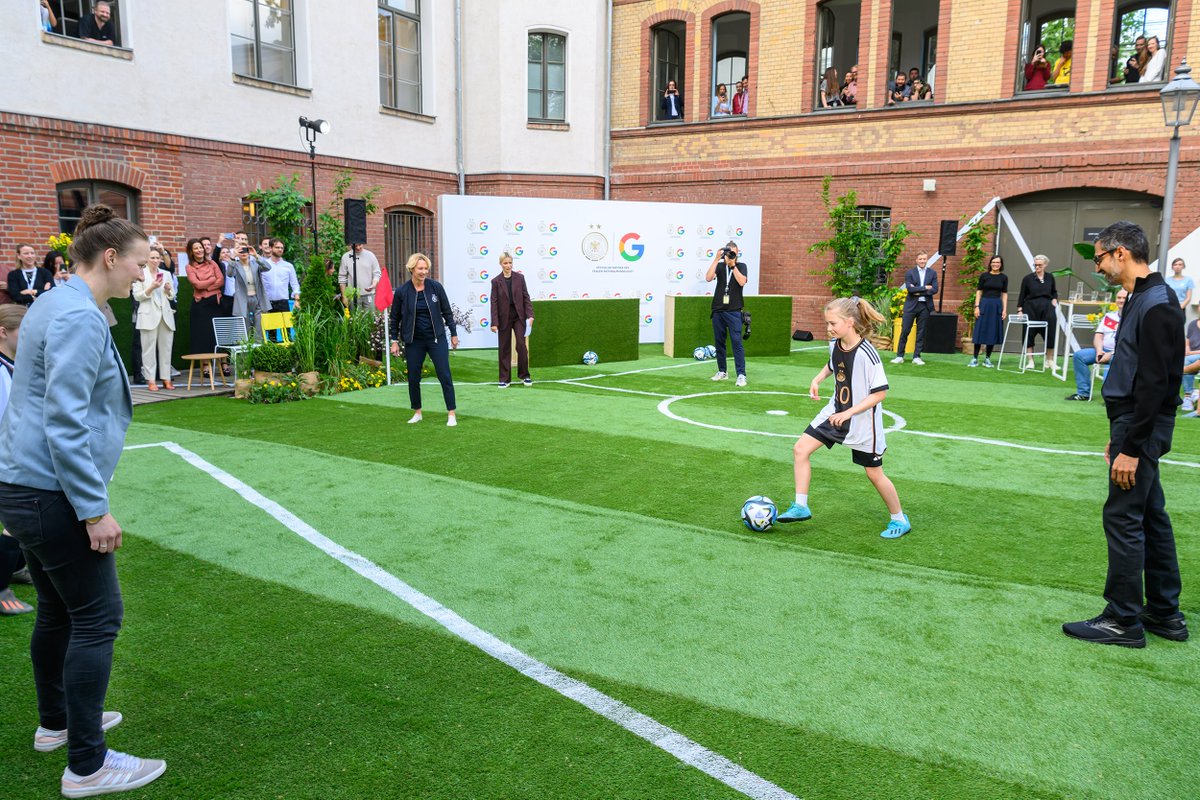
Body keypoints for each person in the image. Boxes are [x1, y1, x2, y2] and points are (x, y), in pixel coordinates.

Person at [0, 204, 167, 794]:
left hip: (23, 486)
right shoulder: (76, 315)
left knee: (58, 611)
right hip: (48, 493)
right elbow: (64, 421)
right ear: (111, 257)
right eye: (140, 264)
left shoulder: (58, 300)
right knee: (98, 618)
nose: (143, 276)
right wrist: (93, 509)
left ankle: (57, 725)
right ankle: (88, 765)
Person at [1062, 220, 1186, 647]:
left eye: (1098, 257)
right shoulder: (1145, 297)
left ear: (1120, 253)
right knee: (1151, 514)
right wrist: (1122, 436)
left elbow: (1156, 383)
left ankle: (1123, 619)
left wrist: (1130, 445)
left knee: (1123, 516)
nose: (1097, 267)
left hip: (1141, 425)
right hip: (1133, 424)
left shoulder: (1156, 302)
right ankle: (1165, 614)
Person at [777, 297, 911, 538]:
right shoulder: (835, 343)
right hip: (834, 410)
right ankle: (800, 505)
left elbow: (880, 393)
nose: (829, 328)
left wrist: (849, 412)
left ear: (850, 322)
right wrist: (817, 379)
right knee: (800, 449)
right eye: (827, 323)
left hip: (862, 423)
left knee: (874, 473)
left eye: (833, 323)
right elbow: (832, 364)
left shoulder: (868, 354)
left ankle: (899, 519)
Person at [389, 253, 459, 426]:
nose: (424, 271)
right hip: (414, 341)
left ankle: (451, 414)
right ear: (412, 269)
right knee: (413, 377)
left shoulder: (435, 287)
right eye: (420, 268)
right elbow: (395, 317)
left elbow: (447, 311)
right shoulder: (402, 292)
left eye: (426, 268)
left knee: (444, 375)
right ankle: (417, 412)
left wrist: (454, 333)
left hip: (436, 339)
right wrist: (394, 340)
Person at [0, 305, 34, 617]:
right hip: (7, 458)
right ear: (3, 332)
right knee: (17, 521)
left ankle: (17, 567)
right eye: (23, 331)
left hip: (14, 454)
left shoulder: (12, 365)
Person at [1065, 288, 1126, 401]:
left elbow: (1130, 342)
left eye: (1124, 298)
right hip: (1103, 350)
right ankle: (1083, 393)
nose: (1121, 300)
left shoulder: (1132, 318)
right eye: (1119, 298)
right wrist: (1099, 350)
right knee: (1079, 356)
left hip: (1121, 353)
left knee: (1113, 362)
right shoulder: (1109, 316)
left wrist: (1111, 353)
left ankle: (1110, 398)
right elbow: (1098, 335)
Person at [132, 248, 176, 391]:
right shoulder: (140, 274)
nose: (156, 260)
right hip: (148, 315)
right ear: (146, 259)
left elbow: (172, 295)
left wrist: (168, 289)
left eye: (158, 258)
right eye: (152, 258)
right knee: (148, 349)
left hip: (166, 315)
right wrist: (151, 287)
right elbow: (137, 296)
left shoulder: (166, 274)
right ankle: (151, 379)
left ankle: (166, 378)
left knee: (166, 348)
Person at [705, 241, 748, 386]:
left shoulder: (741, 266)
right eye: (728, 252)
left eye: (733, 253)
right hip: (718, 310)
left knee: (737, 342)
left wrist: (733, 265)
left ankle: (741, 375)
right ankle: (722, 371)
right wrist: (717, 259)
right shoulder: (720, 266)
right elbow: (708, 277)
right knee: (719, 342)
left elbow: (742, 282)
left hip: (734, 311)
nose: (730, 255)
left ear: (737, 253)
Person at [489, 253, 533, 388]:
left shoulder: (520, 278)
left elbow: (526, 297)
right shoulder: (496, 281)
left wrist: (530, 315)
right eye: (505, 263)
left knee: (521, 345)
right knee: (504, 348)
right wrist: (494, 322)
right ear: (501, 264)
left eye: (510, 263)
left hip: (519, 317)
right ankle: (504, 379)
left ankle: (524, 375)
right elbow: (494, 302)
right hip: (503, 319)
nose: (508, 265)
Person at [892, 251, 937, 366]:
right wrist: (925, 288)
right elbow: (910, 290)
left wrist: (918, 290)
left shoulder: (932, 273)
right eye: (920, 259)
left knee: (921, 332)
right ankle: (899, 356)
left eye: (924, 259)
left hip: (925, 306)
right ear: (916, 260)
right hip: (911, 306)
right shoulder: (910, 273)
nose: (922, 261)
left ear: (927, 260)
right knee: (905, 330)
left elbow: (935, 289)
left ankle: (917, 356)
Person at [184, 238, 223, 370]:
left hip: (215, 304)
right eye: (196, 248)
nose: (199, 250)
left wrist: (207, 287)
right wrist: (212, 280)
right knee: (202, 336)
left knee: (216, 335)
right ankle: (205, 365)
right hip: (200, 306)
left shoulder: (212, 263)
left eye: (200, 247)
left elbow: (221, 280)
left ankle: (222, 363)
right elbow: (197, 284)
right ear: (191, 251)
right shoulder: (189, 267)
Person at [1016, 254, 1059, 371]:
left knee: (1050, 333)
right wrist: (1020, 310)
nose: (1037, 267)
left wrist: (1054, 299)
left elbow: (1054, 292)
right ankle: (1030, 361)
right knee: (1028, 333)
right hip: (1030, 307)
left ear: (1045, 265)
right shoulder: (1027, 278)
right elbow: (1022, 295)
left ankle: (1049, 360)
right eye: (1035, 265)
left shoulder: (1050, 277)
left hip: (1047, 307)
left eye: (1040, 265)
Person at [969, 255, 1008, 367]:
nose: (995, 264)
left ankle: (987, 359)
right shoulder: (984, 276)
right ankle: (974, 358)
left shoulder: (1004, 278)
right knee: (980, 330)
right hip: (984, 305)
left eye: (998, 262)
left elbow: (1004, 294)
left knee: (992, 332)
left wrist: (1004, 309)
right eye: (993, 262)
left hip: (996, 306)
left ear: (1001, 264)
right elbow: (979, 291)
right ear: (990, 263)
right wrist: (976, 306)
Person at [226, 242, 270, 339]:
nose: (243, 252)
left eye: (245, 250)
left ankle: (258, 350)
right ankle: (245, 352)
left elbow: (267, 267)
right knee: (244, 327)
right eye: (240, 250)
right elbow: (229, 273)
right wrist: (232, 257)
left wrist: (256, 255)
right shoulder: (236, 265)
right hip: (243, 299)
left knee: (259, 327)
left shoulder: (255, 264)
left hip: (257, 298)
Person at [338, 242, 382, 309]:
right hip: (353, 295)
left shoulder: (370, 256)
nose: (358, 248)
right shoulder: (346, 257)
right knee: (354, 319)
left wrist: (374, 284)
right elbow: (342, 277)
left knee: (370, 318)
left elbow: (377, 273)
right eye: (355, 246)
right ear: (351, 245)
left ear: (363, 243)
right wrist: (344, 296)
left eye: (360, 245)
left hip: (368, 295)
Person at [261, 239, 300, 312]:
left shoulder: (288, 266)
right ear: (270, 248)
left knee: (285, 323)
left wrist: (297, 299)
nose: (280, 249)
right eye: (277, 247)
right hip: (267, 303)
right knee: (268, 323)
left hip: (283, 303)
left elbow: (294, 284)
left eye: (282, 248)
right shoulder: (264, 265)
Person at [1181, 317, 1200, 412]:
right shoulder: (1192, 324)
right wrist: (1187, 349)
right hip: (1191, 356)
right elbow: (1187, 343)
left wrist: (1191, 353)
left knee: (1186, 362)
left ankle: (1188, 395)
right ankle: (1192, 394)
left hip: (1195, 356)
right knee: (1184, 360)